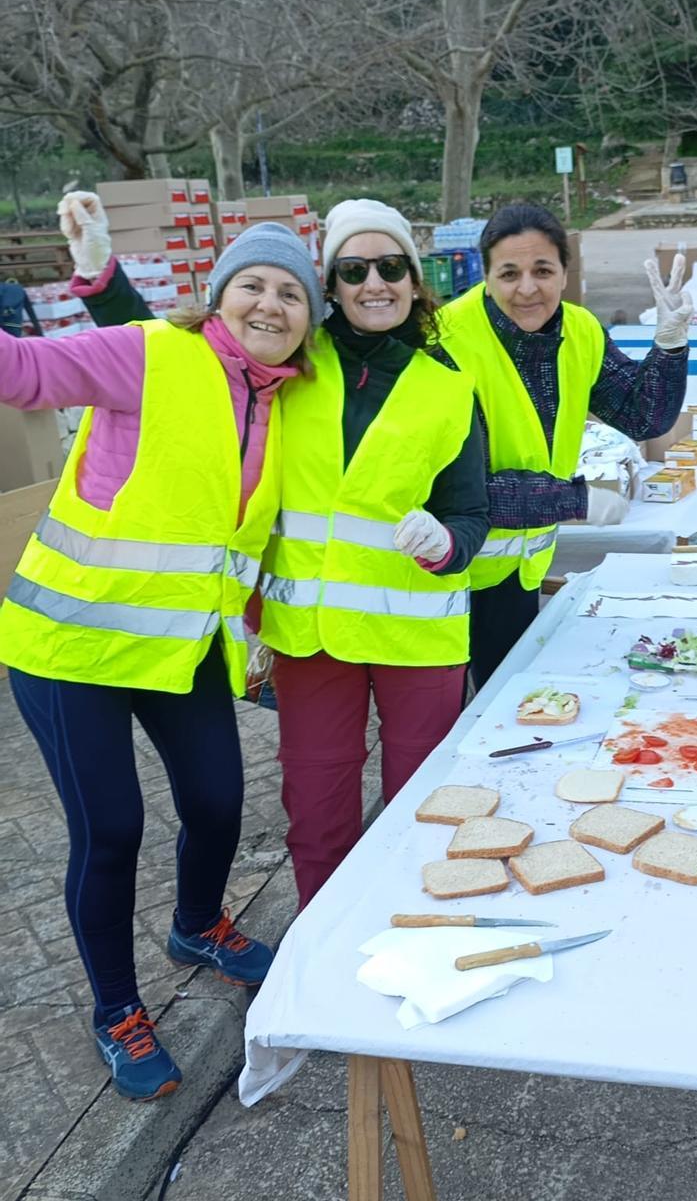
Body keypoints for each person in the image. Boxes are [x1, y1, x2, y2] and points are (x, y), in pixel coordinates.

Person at [59, 194, 490, 909]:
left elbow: (470, 511)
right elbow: (175, 356)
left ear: (416, 282)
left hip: (420, 639)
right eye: (353, 270)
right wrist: (104, 278)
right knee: (318, 812)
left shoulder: (450, 390)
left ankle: (420, 926)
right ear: (331, 287)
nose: (373, 283)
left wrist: (448, 544)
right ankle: (323, 947)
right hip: (309, 642)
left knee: (426, 805)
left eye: (391, 267)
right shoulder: (285, 365)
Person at [0, 222, 323, 1100]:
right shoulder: (148, 354)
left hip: (181, 652)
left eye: (292, 293)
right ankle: (116, 1012)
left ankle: (196, 926)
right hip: (73, 646)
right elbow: (21, 372)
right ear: (218, 296)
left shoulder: (284, 404)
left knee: (219, 801)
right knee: (111, 831)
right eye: (253, 284)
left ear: (309, 320)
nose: (270, 303)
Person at [436, 203, 693, 687]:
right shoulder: (447, 344)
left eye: (542, 270)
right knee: (443, 724)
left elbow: (644, 416)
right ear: (485, 275)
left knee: (504, 703)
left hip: (516, 572)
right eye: (509, 273)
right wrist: (577, 500)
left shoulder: (580, 330)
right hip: (443, 571)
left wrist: (671, 346)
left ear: (563, 272)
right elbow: (463, 492)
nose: (527, 288)